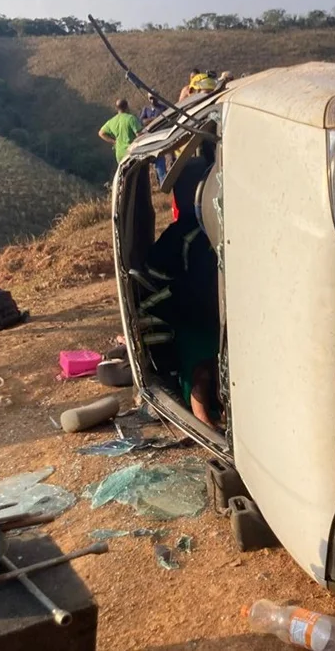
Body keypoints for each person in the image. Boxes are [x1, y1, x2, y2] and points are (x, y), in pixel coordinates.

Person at [139, 158, 221, 428]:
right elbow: (196, 287)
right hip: (163, 298)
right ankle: (199, 416)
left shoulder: (205, 230)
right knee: (202, 357)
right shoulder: (192, 236)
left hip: (184, 295)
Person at [98, 99, 142, 163]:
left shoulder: (111, 121)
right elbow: (139, 135)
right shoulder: (130, 118)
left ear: (117, 108)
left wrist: (114, 141)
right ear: (127, 107)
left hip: (120, 155)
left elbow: (101, 133)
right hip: (132, 152)